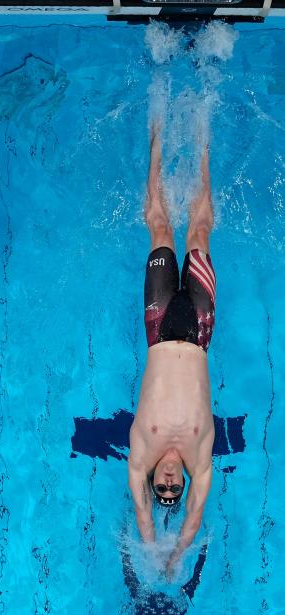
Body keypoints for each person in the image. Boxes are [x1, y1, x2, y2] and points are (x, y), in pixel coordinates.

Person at [127, 123, 215, 575]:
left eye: (160, 488)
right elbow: (196, 514)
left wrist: (153, 549)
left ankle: (159, 132)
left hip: (160, 325)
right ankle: (201, 133)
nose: (167, 485)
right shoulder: (200, 455)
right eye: (172, 491)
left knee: (160, 227)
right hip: (199, 326)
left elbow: (144, 515)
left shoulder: (142, 446)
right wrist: (180, 552)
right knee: (199, 231)